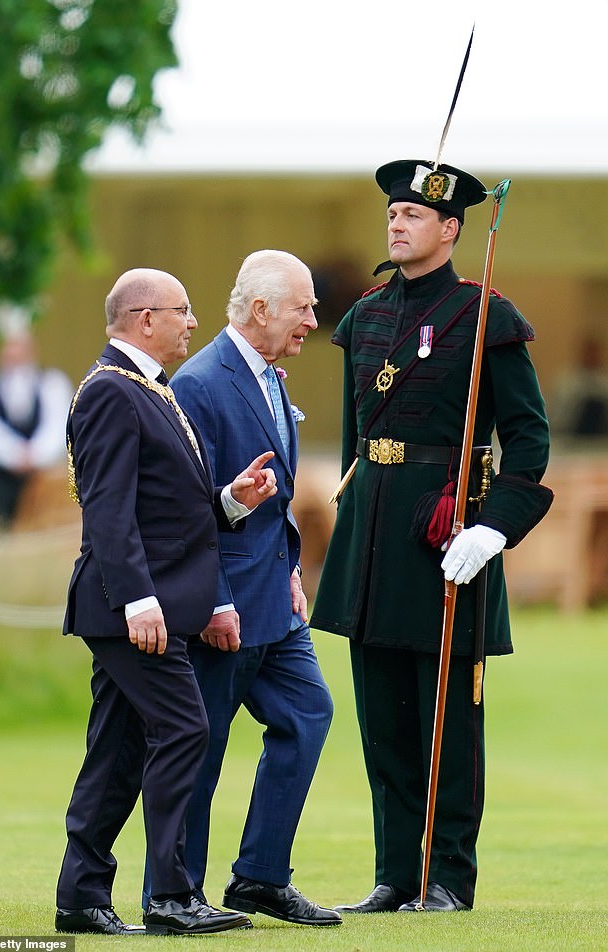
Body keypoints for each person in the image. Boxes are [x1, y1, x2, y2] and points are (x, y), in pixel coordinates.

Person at [311, 160, 554, 913]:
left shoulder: (486, 317)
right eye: (393, 211)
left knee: (447, 720)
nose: (397, 221)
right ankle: (394, 874)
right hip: (372, 531)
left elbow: (529, 438)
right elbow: (358, 439)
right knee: (381, 717)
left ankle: (447, 878)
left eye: (414, 214)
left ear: (450, 230)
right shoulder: (367, 317)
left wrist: (493, 529)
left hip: (445, 535)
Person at [55, 267, 278, 937]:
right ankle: (172, 896)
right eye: (182, 311)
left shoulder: (148, 391)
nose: (192, 322)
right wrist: (138, 601)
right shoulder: (112, 394)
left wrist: (230, 503)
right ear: (144, 319)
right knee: (186, 730)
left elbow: (164, 513)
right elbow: (109, 512)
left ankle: (81, 899)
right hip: (130, 610)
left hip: (148, 605)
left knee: (118, 751)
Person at [143, 250, 341, 927]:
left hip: (276, 607)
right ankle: (175, 894)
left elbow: (270, 495)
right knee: (201, 747)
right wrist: (216, 598)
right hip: (221, 608)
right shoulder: (199, 384)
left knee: (308, 715)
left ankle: (259, 877)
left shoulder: (268, 378)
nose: (314, 319)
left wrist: (290, 569)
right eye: (304, 307)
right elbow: (188, 510)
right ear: (260, 310)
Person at [0, 329, 73, 524]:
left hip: (44, 477)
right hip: (1, 478)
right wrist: (14, 455)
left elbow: (58, 427)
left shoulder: (53, 383)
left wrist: (34, 455)